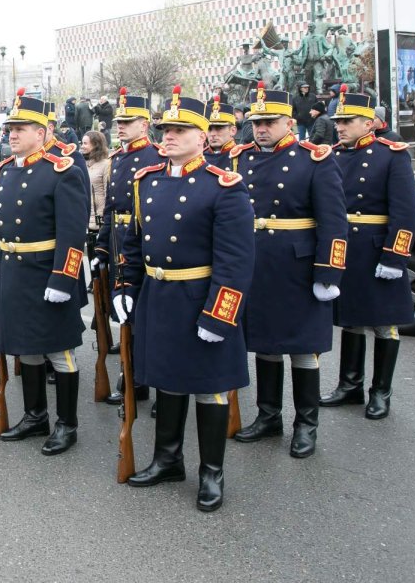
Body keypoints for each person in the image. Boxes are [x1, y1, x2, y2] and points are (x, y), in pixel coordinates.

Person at [116, 88, 254, 512]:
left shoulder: (223, 187)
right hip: (160, 295)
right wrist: (126, 287)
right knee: (167, 381)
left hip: (201, 297)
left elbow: (235, 261)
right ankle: (167, 459)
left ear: (202, 136)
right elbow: (135, 243)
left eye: (180, 130)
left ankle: (212, 471)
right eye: (166, 129)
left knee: (209, 388)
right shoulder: (148, 181)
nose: (170, 136)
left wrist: (220, 315)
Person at [230, 83, 347, 459]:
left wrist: (328, 272)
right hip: (258, 264)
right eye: (257, 121)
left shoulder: (313, 158)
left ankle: (306, 424)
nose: (261, 128)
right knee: (264, 345)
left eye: (270, 121)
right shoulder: (241, 159)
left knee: (301, 348)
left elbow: (333, 222)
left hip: (298, 266)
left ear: (289, 122)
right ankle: (268, 417)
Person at [0, 92, 90, 456]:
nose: (12, 135)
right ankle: (35, 416)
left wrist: (64, 279)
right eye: (10, 129)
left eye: (20, 129)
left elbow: (72, 232)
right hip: (14, 271)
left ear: (42, 132)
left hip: (46, 272)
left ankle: (67, 423)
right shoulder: (3, 172)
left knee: (59, 352)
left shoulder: (61, 171)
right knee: (26, 350)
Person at [322, 88, 415, 419]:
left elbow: (406, 213)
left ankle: (380, 391)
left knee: (384, 324)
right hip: (346, 248)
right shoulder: (332, 155)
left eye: (347, 121)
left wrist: (395, 258)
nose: (340, 127)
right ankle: (350, 385)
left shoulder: (391, 154)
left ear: (369, 123)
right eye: (338, 121)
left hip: (378, 249)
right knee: (351, 320)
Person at [92, 88, 163, 406]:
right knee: (125, 313)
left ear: (144, 124)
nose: (120, 126)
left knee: (152, 316)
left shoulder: (156, 157)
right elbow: (109, 207)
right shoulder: (116, 160)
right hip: (120, 240)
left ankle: (157, 378)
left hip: (146, 242)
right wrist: (102, 249)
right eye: (119, 121)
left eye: (128, 121)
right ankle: (132, 375)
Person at [81, 131, 109, 267]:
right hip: (87, 220)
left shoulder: (106, 165)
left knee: (101, 264)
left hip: (100, 220)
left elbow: (107, 193)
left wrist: (104, 217)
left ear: (96, 145)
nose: (82, 146)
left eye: (85, 143)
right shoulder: (82, 165)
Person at [203, 96, 238, 168]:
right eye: (209, 129)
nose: (213, 134)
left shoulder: (242, 156)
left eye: (219, 128)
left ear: (233, 131)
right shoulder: (199, 158)